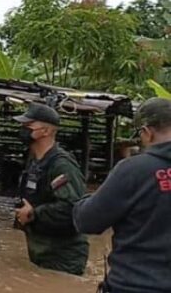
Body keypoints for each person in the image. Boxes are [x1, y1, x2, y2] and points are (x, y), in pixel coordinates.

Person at [73, 97, 171, 293]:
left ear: (147, 132)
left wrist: (86, 200)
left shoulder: (133, 170)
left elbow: (86, 221)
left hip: (135, 286)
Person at [13, 102, 88, 275]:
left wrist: (34, 214)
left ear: (46, 131)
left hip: (63, 256)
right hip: (42, 250)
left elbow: (72, 209)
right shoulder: (34, 161)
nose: (22, 129)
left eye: (28, 126)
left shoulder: (61, 165)